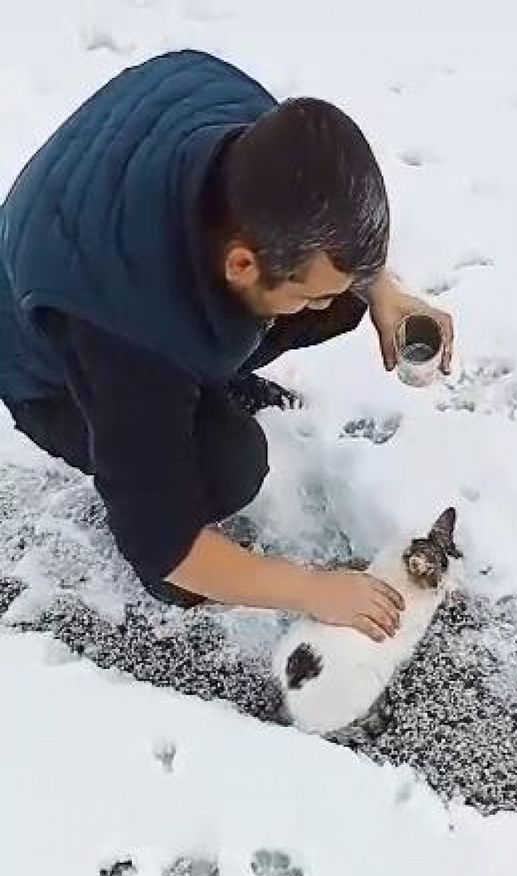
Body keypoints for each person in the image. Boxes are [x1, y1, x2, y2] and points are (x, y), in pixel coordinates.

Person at [0, 49, 453, 642]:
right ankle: (183, 590)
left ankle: (217, 368)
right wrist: (315, 590)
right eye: (311, 293)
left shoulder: (264, 143)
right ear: (241, 263)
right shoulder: (126, 336)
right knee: (229, 465)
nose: (326, 304)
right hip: (48, 370)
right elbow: (166, 545)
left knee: (340, 304)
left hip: (112, 243)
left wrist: (383, 295)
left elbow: (328, 249)